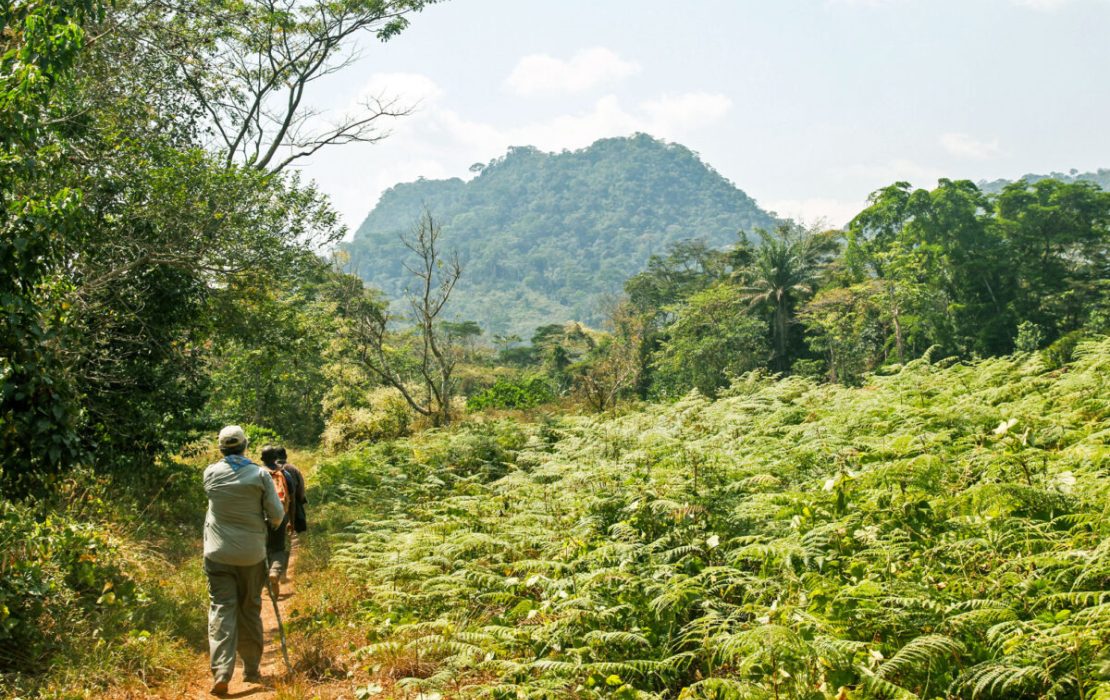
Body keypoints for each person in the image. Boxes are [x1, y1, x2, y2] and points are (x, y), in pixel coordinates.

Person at [203, 426, 284, 696]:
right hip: (251, 555)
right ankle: (250, 669)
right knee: (249, 608)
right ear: (245, 446)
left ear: (221, 448)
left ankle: (222, 672)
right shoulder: (260, 475)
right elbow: (277, 515)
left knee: (222, 609)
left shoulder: (210, 473)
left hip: (217, 554)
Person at [259, 444, 294, 597]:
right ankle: (275, 571)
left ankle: (267, 583)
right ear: (276, 458)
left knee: (264, 549)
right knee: (279, 547)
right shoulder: (285, 474)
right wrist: (290, 520)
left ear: (261, 459)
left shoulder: (257, 474)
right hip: (280, 515)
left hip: (261, 517)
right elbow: (291, 499)